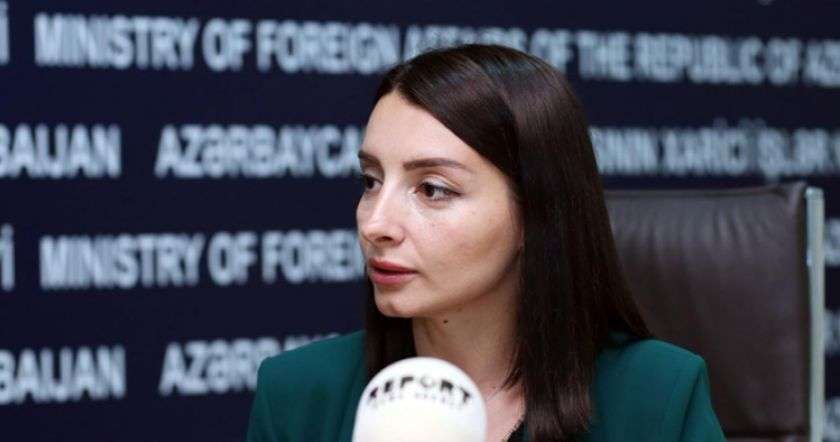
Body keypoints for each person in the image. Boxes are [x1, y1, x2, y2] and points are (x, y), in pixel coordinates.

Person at [246, 44, 725, 442]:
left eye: (432, 189)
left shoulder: (658, 395)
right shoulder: (297, 394)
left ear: (535, 211)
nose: (375, 224)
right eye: (370, 181)